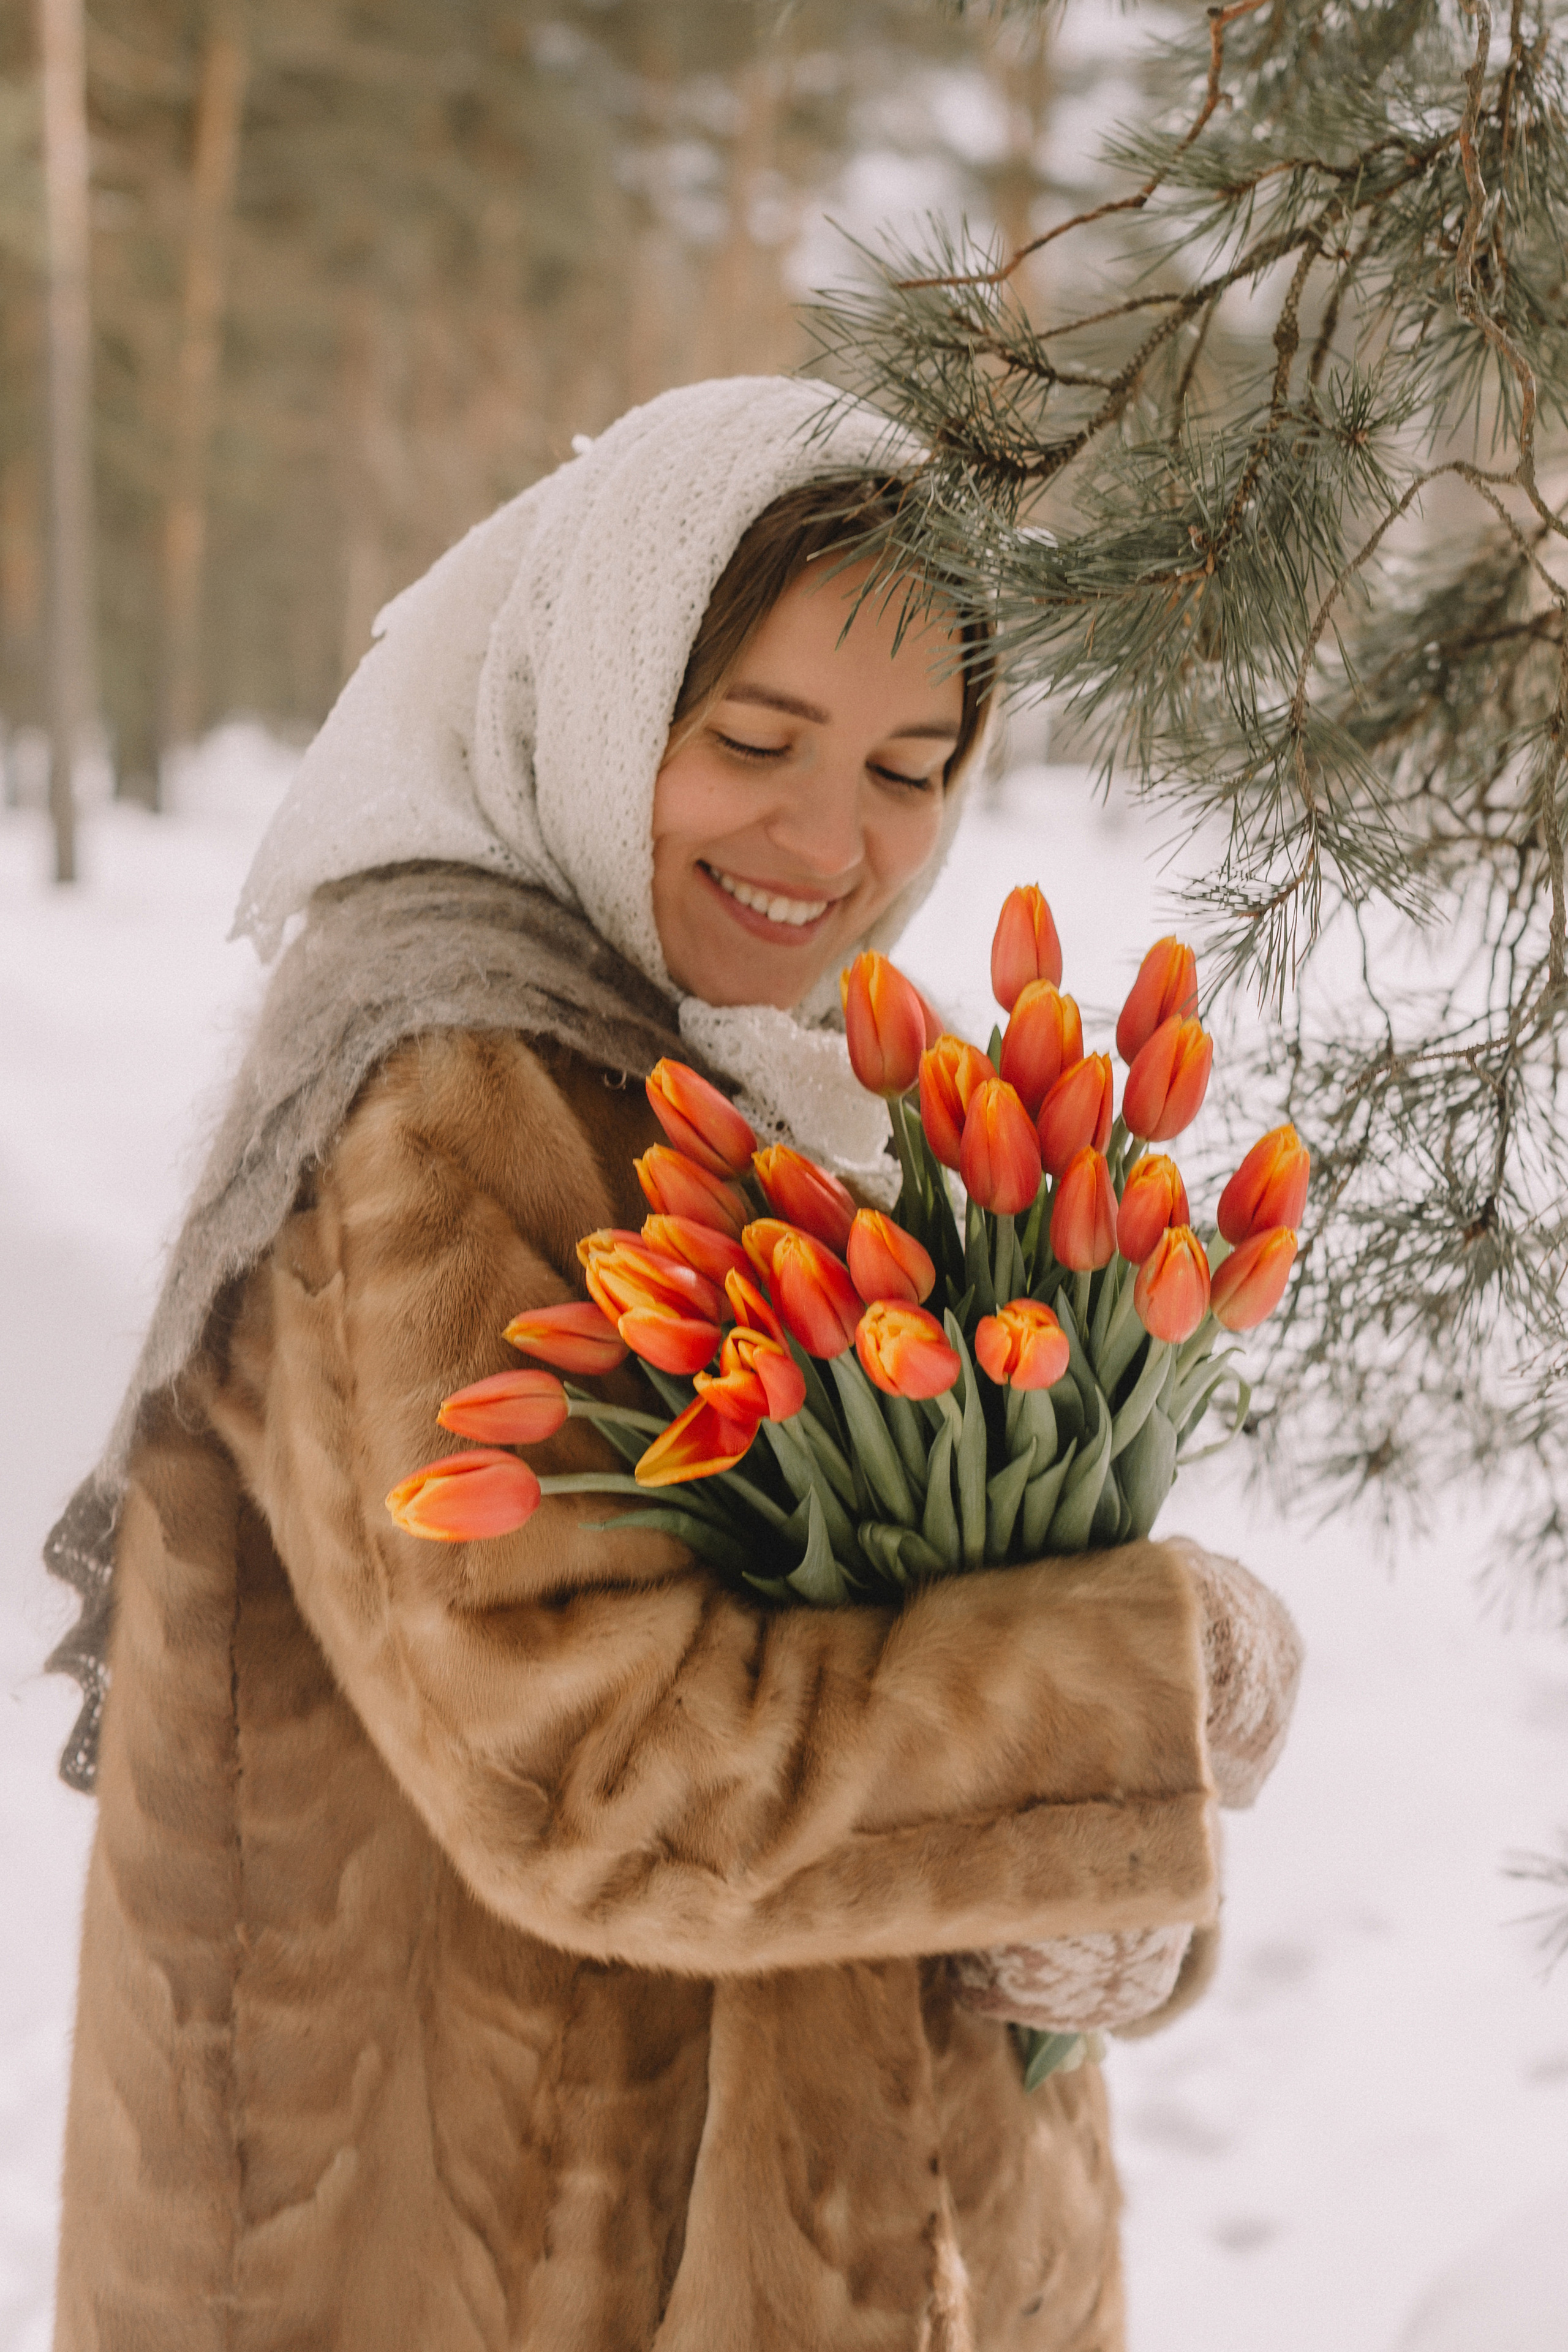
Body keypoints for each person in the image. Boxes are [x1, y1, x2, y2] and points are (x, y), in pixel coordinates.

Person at [45, 376, 1301, 2352]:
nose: (833, 837)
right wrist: (1115, 1712)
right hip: (510, 2257)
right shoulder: (451, 1099)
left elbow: (892, 1684)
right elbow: (594, 1766)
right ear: (606, 686)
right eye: (753, 740)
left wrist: (1071, 1907)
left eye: (913, 762)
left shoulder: (766, 1081)